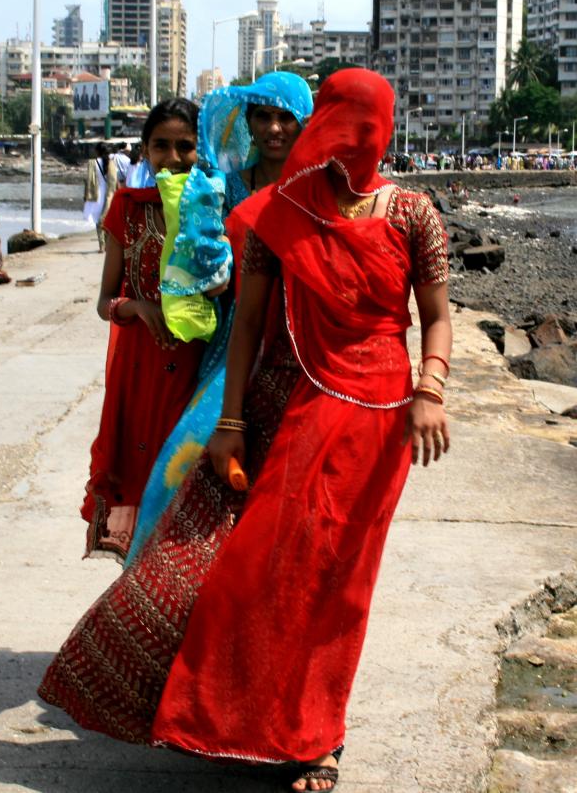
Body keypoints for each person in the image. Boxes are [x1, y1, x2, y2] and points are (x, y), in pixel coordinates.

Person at [39, 70, 452, 791]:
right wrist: (228, 420)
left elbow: (436, 314)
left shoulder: (413, 212)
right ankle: (223, 715)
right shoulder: (277, 210)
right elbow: (249, 325)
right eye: (337, 118)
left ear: (381, 128)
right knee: (235, 565)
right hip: (276, 403)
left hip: (377, 420)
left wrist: (431, 388)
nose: (346, 136)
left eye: (362, 122)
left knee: (337, 584)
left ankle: (318, 737)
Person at [125, 72, 313, 565]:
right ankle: (155, 580)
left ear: (304, 124)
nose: (274, 128)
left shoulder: (317, 190)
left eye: (285, 118)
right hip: (234, 339)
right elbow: (194, 270)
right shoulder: (219, 189)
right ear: (247, 122)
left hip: (303, 347)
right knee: (189, 458)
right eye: (263, 116)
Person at [80, 98, 210, 562]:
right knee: (142, 480)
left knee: (189, 489)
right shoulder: (127, 210)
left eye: (185, 146)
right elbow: (103, 303)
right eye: (161, 146)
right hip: (140, 374)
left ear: (202, 148)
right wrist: (135, 307)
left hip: (197, 372)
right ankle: (139, 606)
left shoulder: (215, 210)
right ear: (144, 150)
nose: (172, 157)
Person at [83, 142, 117, 252]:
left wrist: (86, 195)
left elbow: (89, 180)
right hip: (109, 194)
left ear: (97, 151)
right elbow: (113, 181)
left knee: (99, 221)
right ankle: (107, 244)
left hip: (97, 194)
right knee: (107, 219)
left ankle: (102, 246)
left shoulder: (93, 163)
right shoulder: (111, 163)